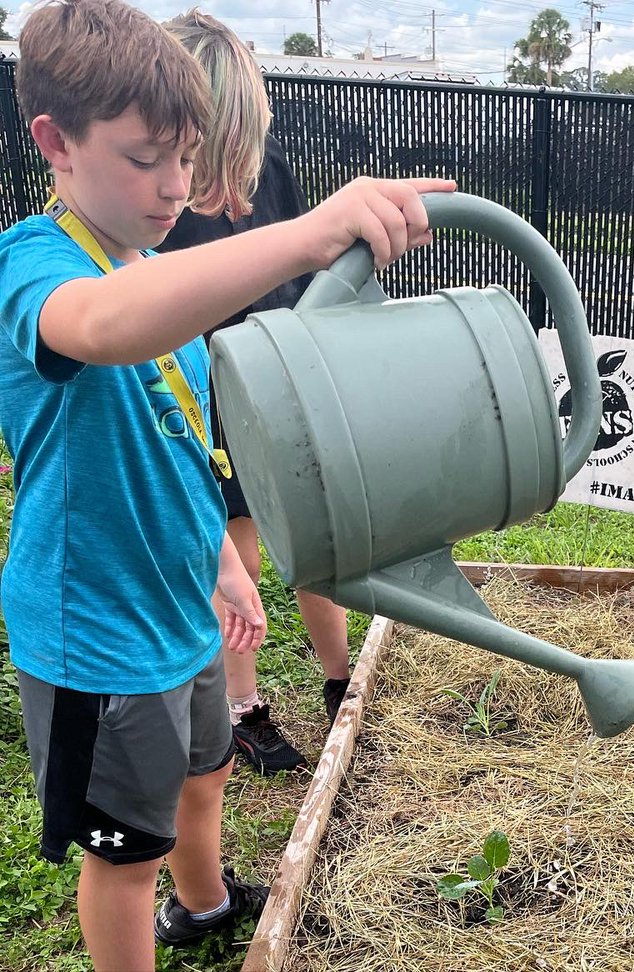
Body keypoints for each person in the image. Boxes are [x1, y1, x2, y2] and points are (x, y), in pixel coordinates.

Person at [0, 1, 454, 969]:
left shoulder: (145, 256)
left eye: (187, 156)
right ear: (55, 141)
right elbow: (107, 327)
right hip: (98, 639)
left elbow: (175, 434)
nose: (176, 187)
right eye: (145, 157)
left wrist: (222, 559)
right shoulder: (37, 269)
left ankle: (201, 907)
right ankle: (157, 908)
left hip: (180, 608)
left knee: (204, 771)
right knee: (124, 854)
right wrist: (303, 238)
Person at [157, 9, 349, 776]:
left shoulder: (270, 176)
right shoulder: (160, 206)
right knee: (232, 541)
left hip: (277, 382)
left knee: (315, 531)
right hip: (200, 398)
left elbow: (296, 272)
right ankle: (244, 710)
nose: (235, 177)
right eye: (222, 147)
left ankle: (344, 684)